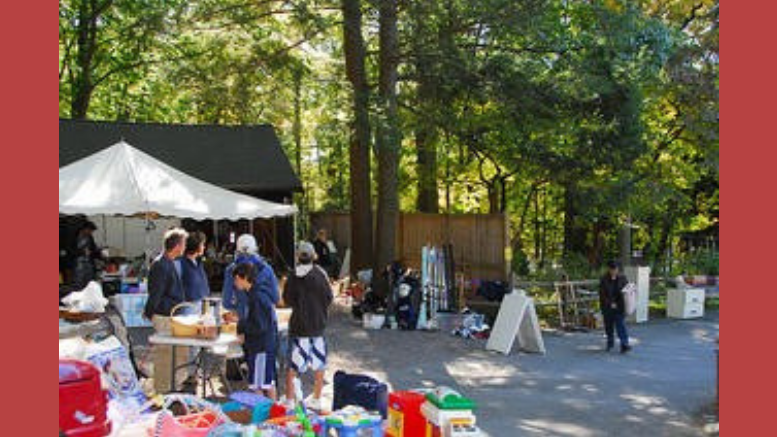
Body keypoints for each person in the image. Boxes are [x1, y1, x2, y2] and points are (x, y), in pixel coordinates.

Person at [283, 242, 333, 411]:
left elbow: (287, 299)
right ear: (314, 256)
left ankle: (290, 399)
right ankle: (317, 397)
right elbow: (329, 297)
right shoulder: (321, 274)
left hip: (299, 326)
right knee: (319, 364)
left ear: (298, 256)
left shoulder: (293, 275)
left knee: (294, 366)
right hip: (318, 325)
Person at [144, 228, 190, 393]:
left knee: (176, 351)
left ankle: (174, 385)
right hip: (163, 314)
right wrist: (149, 312)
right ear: (177, 245)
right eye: (183, 243)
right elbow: (156, 293)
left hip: (172, 314)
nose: (185, 247)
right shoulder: (161, 264)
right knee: (165, 353)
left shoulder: (168, 262)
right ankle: (163, 388)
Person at [233, 262, 278, 400]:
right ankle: (274, 414)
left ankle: (267, 416)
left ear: (245, 277)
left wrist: (241, 326)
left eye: (237, 279)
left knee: (259, 385)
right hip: (264, 345)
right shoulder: (257, 294)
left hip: (261, 347)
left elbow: (259, 325)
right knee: (266, 383)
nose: (235, 283)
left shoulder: (257, 297)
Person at [222, 234, 279, 321]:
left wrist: (238, 307)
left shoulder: (231, 270)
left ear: (237, 250)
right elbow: (275, 298)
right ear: (255, 249)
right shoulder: (267, 269)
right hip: (266, 317)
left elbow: (226, 302)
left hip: (243, 317)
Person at [599, 260, 632, 353]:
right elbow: (602, 294)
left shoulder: (622, 278)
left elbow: (628, 290)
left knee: (621, 325)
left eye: (616, 269)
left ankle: (624, 344)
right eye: (612, 269)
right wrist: (610, 303)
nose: (614, 271)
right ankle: (610, 343)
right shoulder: (604, 279)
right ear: (609, 269)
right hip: (607, 306)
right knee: (609, 326)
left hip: (619, 306)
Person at [73, 221, 102, 289]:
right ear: (85, 228)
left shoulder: (89, 237)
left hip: (88, 262)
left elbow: (93, 248)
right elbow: (71, 250)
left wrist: (99, 255)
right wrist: (82, 252)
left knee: (89, 282)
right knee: (79, 282)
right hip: (78, 263)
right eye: (90, 230)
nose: (91, 232)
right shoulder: (75, 236)